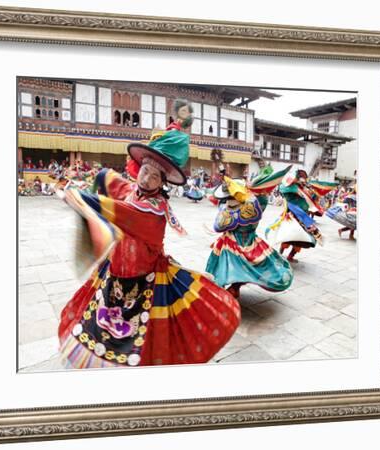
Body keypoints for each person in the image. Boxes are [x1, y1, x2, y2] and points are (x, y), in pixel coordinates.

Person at [57, 104, 240, 369]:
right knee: (98, 332)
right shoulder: (132, 190)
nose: (148, 179)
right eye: (145, 170)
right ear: (138, 168)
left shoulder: (152, 211)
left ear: (163, 182)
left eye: (156, 176)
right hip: (114, 276)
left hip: (146, 282)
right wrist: (93, 182)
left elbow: (124, 212)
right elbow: (107, 177)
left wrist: (80, 198)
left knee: (146, 339)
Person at [205, 166, 293, 298]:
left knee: (225, 266)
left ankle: (230, 288)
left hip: (231, 242)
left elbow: (218, 226)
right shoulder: (257, 204)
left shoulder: (226, 209)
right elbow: (262, 198)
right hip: (251, 241)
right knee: (247, 266)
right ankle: (235, 287)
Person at [266, 169, 337, 263]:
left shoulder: (303, 187)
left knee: (302, 239)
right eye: (300, 177)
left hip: (303, 217)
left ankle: (290, 256)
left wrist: (315, 193)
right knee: (286, 235)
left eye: (303, 178)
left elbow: (311, 198)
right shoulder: (288, 186)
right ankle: (280, 254)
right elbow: (284, 190)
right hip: (291, 215)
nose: (302, 179)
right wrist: (296, 189)